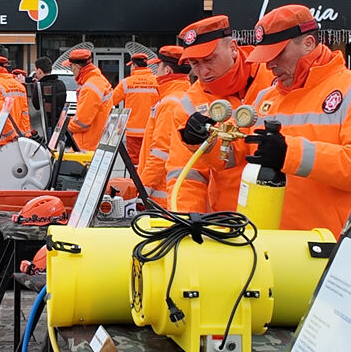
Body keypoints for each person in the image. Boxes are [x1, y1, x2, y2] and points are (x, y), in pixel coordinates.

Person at [240, 5, 351, 235]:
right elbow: (237, 151)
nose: (269, 64)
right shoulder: (266, 97)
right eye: (266, 56)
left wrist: (290, 153)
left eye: (278, 54)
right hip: (269, 240)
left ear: (309, 43)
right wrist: (204, 141)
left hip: (326, 243)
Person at [166, 16, 271, 211]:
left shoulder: (274, 76)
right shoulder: (190, 105)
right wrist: (186, 222)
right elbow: (187, 175)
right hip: (230, 219)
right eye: (194, 63)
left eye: (209, 59)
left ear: (232, 48)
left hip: (286, 213)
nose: (203, 71)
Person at [137, 46, 190, 205]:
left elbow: (160, 152)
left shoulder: (169, 103)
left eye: (158, 66)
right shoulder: (184, 96)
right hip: (172, 189)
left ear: (167, 70)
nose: (156, 72)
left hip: (161, 194)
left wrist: (143, 190)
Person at [111, 52, 158, 166]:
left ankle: (136, 178)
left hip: (133, 131)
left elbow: (111, 101)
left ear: (134, 65)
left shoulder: (126, 82)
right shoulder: (157, 81)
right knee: (151, 160)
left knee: (135, 163)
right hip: (153, 129)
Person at [65, 48, 112, 152]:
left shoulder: (90, 86)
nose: (71, 70)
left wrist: (67, 124)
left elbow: (82, 122)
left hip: (86, 145)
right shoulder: (98, 80)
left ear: (77, 67)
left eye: (71, 66)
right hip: (94, 141)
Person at [0, 55, 31, 143]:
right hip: (18, 140)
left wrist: (11, 135)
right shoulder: (20, 86)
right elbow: (24, 114)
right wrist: (24, 135)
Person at [30, 57, 67, 140]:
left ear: (39, 71)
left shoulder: (40, 86)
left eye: (36, 70)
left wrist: (35, 86)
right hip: (60, 126)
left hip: (48, 127)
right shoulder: (61, 83)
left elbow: (36, 106)